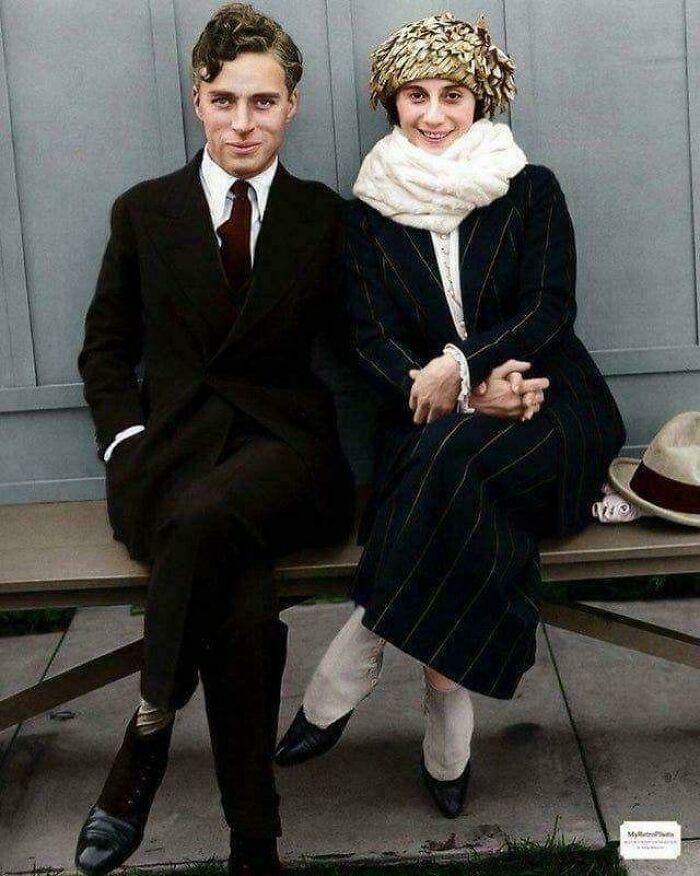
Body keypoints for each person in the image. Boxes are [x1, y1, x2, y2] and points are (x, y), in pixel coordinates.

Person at [275, 12, 626, 819]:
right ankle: (446, 707)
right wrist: (467, 395)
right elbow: (367, 338)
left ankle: (354, 655)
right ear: (391, 102)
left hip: (549, 408)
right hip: (437, 423)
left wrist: (465, 364)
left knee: (442, 470)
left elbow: (549, 307)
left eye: (453, 95)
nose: (433, 114)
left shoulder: (529, 188)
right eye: (415, 96)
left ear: (482, 101)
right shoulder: (365, 215)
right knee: (452, 469)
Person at [74, 4, 354, 875]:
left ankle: (146, 734)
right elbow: (106, 349)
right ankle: (254, 842)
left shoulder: (322, 217)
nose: (243, 123)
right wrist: (124, 443)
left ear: (292, 105)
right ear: (198, 99)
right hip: (170, 457)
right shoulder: (145, 212)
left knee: (205, 525)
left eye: (263, 102)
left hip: (288, 456)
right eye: (226, 100)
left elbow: (363, 346)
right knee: (235, 601)